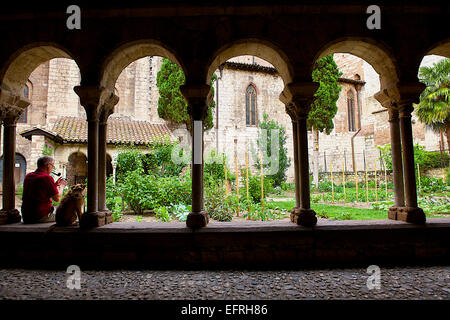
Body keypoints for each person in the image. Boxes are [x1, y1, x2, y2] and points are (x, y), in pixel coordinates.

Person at [21, 156, 67, 223]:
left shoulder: (29, 176)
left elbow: (39, 191)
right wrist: (62, 186)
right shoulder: (46, 177)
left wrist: (54, 185)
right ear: (48, 165)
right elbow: (57, 198)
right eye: (52, 166)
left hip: (26, 216)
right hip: (40, 216)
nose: (52, 169)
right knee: (67, 216)